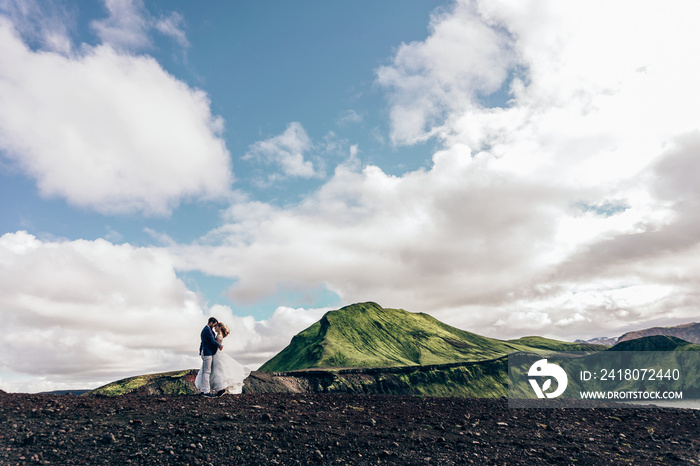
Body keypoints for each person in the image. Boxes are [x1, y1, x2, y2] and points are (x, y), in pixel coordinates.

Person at [209, 322, 251, 395]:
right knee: (219, 371)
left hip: (216, 354)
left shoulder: (219, 336)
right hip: (218, 353)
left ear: (219, 327)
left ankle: (219, 389)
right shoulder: (220, 335)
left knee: (217, 372)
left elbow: (215, 346)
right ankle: (220, 389)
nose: (215, 328)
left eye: (216, 327)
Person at [195, 317, 222, 397]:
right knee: (207, 372)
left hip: (205, 351)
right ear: (211, 322)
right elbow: (212, 341)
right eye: (214, 324)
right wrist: (219, 345)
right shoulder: (207, 330)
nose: (214, 326)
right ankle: (206, 391)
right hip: (207, 352)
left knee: (205, 372)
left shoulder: (206, 329)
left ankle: (204, 390)